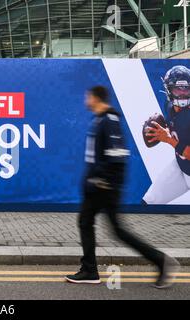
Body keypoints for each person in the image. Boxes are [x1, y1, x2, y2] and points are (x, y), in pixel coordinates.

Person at [65, 86, 180, 289]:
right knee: (91, 223)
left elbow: (117, 155)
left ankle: (92, 270)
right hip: (97, 186)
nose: (86, 100)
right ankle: (90, 269)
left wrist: (103, 180)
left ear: (95, 98)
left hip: (104, 187)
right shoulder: (100, 120)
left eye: (88, 96)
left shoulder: (109, 120)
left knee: (114, 230)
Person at [143, 65, 190, 204]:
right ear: (169, 90)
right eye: (177, 89)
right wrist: (158, 130)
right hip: (181, 166)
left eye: (186, 89)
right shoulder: (169, 107)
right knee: (149, 202)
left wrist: (168, 139)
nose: (182, 94)